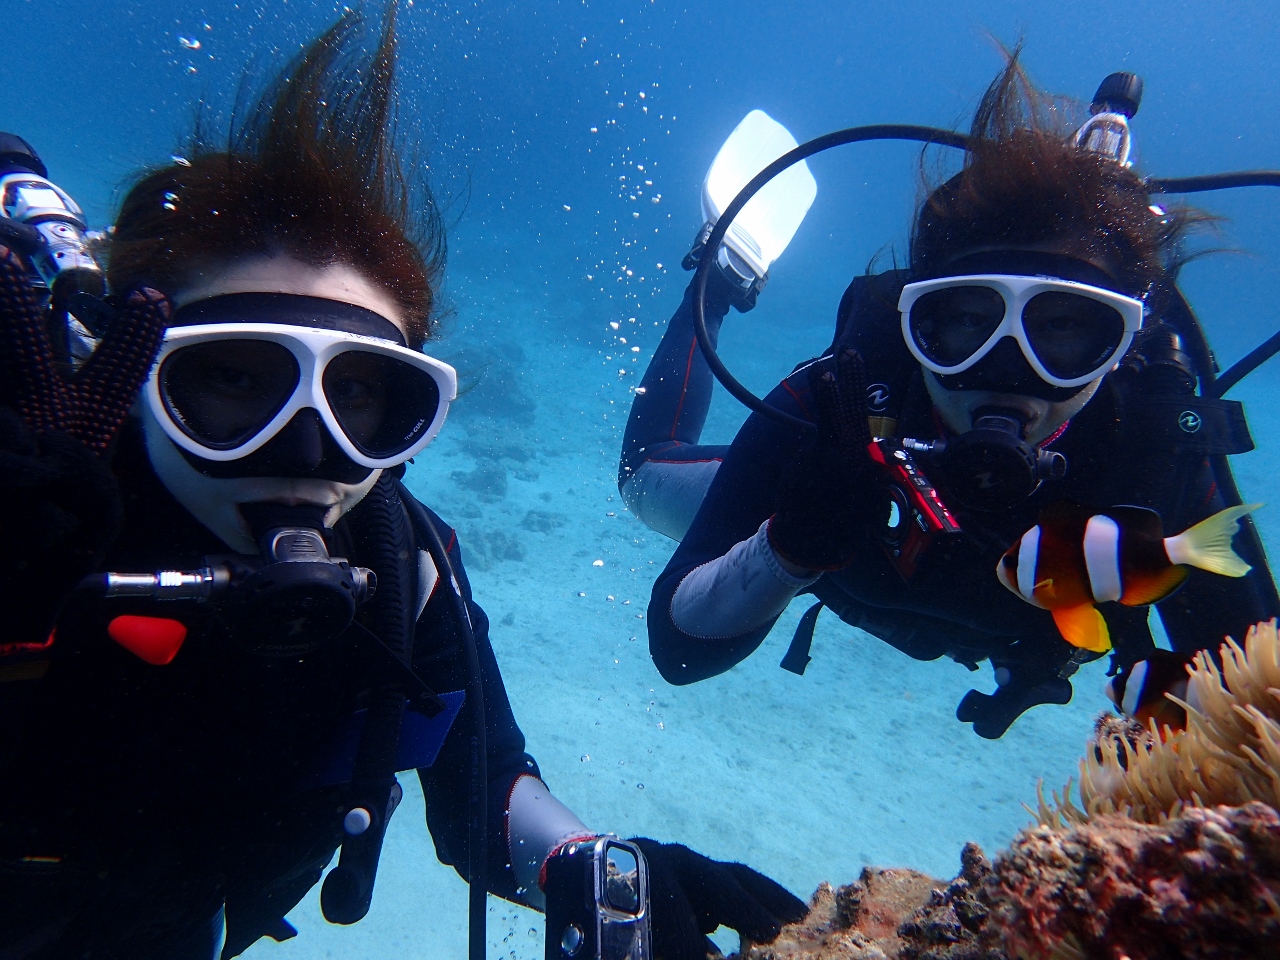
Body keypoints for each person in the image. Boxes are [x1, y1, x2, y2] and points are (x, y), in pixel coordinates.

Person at [0, 8, 807, 958]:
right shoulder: (30, 512)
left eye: (361, 398)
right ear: (139, 376)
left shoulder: (406, 573)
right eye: (230, 380)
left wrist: (588, 867)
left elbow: (485, 789)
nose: (305, 455)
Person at [620, 53, 1278, 740]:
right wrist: (785, 548)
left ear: (1120, 352)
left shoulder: (1149, 453)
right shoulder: (846, 408)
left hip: (1003, 629)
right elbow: (678, 650)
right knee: (643, 476)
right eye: (967, 323)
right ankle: (723, 278)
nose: (1009, 374)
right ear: (913, 325)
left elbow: (1260, 708)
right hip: (837, 547)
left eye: (1063, 332)